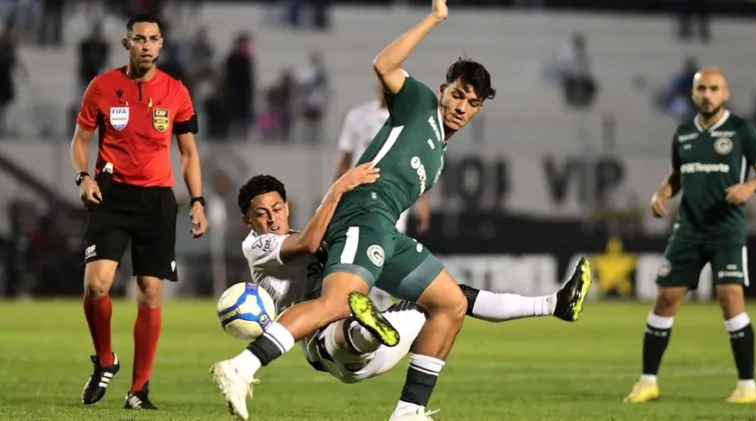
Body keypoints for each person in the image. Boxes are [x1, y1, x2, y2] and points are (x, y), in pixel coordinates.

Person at [210, 1, 592, 419]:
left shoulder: (439, 155)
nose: (461, 106)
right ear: (443, 89)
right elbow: (384, 64)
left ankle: (408, 412)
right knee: (339, 302)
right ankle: (241, 366)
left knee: (451, 304)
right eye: (457, 94)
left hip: (387, 231)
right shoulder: (419, 103)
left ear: (479, 108)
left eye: (472, 102)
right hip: (362, 215)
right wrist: (434, 19)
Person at [215, 174, 590, 405]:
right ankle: (365, 327)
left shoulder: (302, 234)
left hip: (380, 351)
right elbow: (310, 243)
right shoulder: (258, 246)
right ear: (247, 220)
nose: (272, 218)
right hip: (325, 348)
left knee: (449, 300)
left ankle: (554, 304)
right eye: (261, 213)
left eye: (277, 208)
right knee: (342, 316)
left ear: (286, 207)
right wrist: (337, 191)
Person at [71, 14, 208, 410]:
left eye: (153, 39)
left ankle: (138, 390)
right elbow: (79, 140)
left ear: (161, 44)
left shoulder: (176, 91)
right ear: (125, 43)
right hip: (111, 196)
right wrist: (84, 177)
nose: (146, 45)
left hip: (156, 201)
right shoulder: (101, 87)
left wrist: (197, 201)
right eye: (139, 39)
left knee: (150, 292)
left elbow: (188, 153)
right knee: (96, 286)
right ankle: (106, 360)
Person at [624, 68, 756, 404]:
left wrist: (749, 187)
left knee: (730, 298)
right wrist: (661, 193)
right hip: (688, 229)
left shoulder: (741, 130)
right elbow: (677, 174)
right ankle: (647, 382)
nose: (707, 95)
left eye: (714, 89)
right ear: (692, 94)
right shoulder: (684, 133)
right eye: (701, 89)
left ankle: (747, 386)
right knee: (666, 299)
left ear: (725, 93)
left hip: (727, 228)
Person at [333, 86, 430, 310]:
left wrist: (422, 203)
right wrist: (335, 193)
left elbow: (417, 165)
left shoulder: (409, 121)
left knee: (387, 247)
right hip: (358, 194)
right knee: (356, 243)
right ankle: (348, 298)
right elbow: (345, 159)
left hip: (394, 196)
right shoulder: (357, 116)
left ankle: (380, 301)